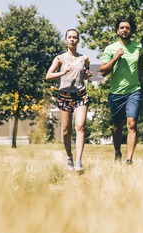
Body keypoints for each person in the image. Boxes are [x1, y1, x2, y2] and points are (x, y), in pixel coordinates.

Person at [46, 29, 92, 172]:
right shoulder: (60, 59)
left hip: (80, 96)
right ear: (66, 40)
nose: (72, 39)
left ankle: (79, 161)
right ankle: (69, 157)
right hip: (64, 96)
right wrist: (63, 72)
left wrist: (87, 75)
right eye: (69, 37)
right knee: (66, 130)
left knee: (80, 126)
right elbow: (48, 76)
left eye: (75, 37)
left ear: (78, 40)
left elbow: (84, 74)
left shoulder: (84, 58)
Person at [100, 17, 143, 165]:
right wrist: (116, 58)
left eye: (127, 27)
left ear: (131, 30)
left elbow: (141, 61)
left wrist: (141, 75)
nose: (125, 30)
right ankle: (117, 152)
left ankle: (129, 159)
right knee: (118, 126)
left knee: (132, 123)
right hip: (116, 93)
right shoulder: (110, 48)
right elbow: (103, 71)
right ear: (117, 30)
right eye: (122, 27)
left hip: (134, 90)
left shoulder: (138, 46)